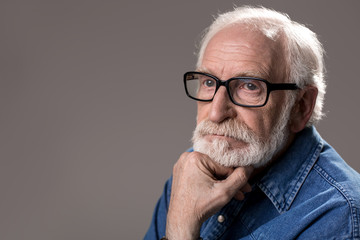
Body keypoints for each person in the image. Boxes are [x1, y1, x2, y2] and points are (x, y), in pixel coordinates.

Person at [144, 6, 360, 240]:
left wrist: (181, 232)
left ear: (301, 107)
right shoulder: (190, 173)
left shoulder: (340, 213)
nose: (216, 113)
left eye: (249, 86)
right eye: (208, 82)